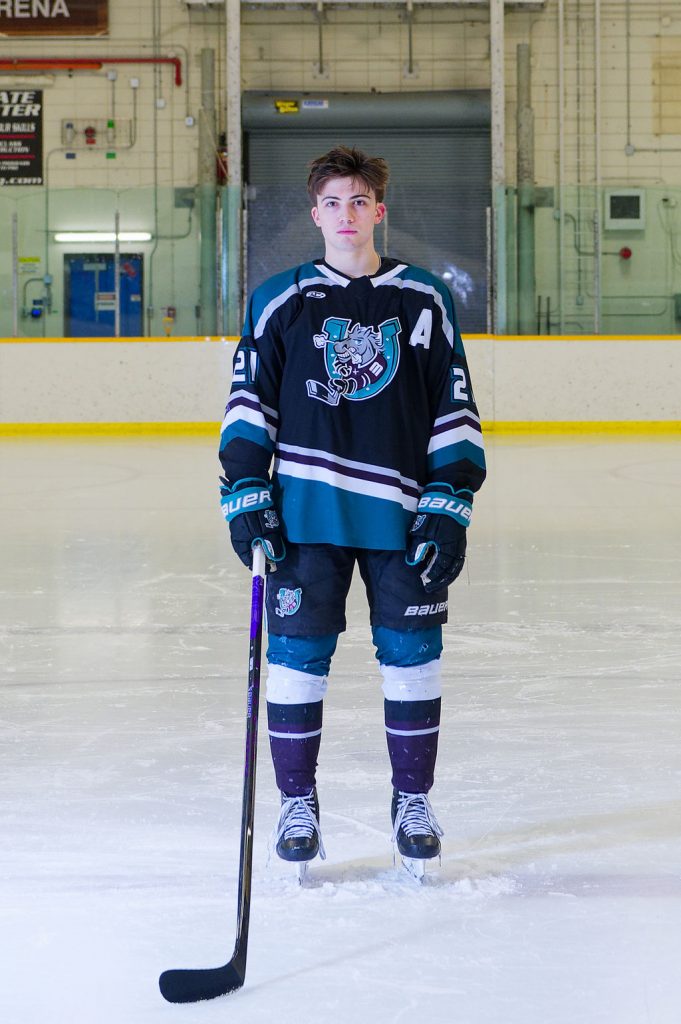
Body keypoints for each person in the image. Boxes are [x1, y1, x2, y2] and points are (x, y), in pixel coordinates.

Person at [219, 145, 486, 874]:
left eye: (359, 202)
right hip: (306, 516)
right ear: (315, 214)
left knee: (413, 659)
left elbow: (453, 402)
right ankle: (296, 803)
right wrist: (245, 493)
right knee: (297, 661)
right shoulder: (279, 299)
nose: (346, 214)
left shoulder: (424, 298)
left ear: (379, 211)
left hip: (404, 516)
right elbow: (249, 402)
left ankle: (412, 801)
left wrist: (450, 498)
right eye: (333, 202)